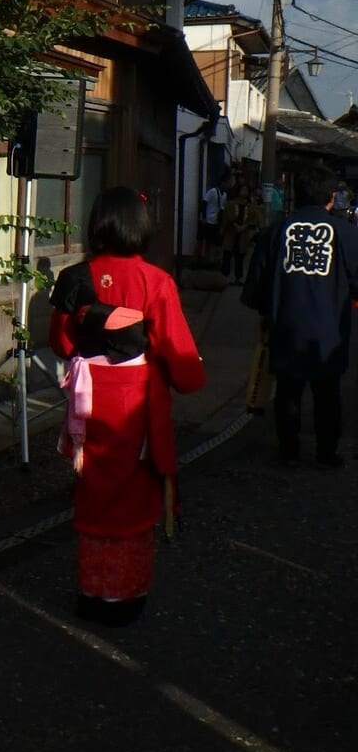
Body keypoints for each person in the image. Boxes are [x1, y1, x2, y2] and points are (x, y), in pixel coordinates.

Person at [49, 187, 206, 624]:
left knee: (93, 491)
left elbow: (61, 341)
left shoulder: (75, 275)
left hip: (90, 398)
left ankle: (92, 592)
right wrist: (192, 375)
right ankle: (126, 596)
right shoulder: (156, 281)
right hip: (136, 399)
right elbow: (179, 357)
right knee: (135, 495)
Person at [242, 165, 358, 469]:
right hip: (329, 329)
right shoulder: (346, 234)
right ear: (331, 198)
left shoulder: (276, 232)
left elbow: (256, 284)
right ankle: (326, 453)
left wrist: (266, 311)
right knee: (328, 394)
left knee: (288, 391)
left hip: (286, 324)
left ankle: (290, 451)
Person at [220, 179, 252, 281]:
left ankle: (238, 277)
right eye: (242, 190)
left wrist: (244, 226)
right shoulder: (230, 203)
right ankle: (224, 277)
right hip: (231, 232)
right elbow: (227, 216)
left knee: (240, 257)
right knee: (227, 255)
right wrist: (234, 225)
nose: (244, 192)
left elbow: (253, 218)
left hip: (243, 234)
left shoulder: (250, 205)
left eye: (246, 190)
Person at [199, 173, 227, 264]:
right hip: (209, 220)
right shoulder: (213, 191)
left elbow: (222, 208)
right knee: (207, 240)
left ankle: (214, 260)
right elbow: (204, 203)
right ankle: (205, 259)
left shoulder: (224, 195)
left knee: (216, 241)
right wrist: (203, 217)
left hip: (217, 220)